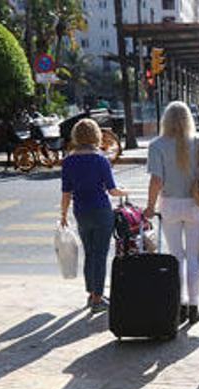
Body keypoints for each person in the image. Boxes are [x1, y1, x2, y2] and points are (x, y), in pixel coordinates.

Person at [143, 101, 199, 325]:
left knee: (176, 258)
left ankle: (179, 306)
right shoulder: (197, 143)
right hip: (195, 205)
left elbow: (156, 180)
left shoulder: (156, 145)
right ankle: (194, 307)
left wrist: (149, 206)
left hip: (170, 205)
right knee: (194, 257)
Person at [60, 119, 127, 313]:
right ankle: (98, 297)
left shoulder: (69, 161)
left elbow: (66, 192)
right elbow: (112, 190)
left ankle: (91, 292)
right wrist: (125, 191)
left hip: (80, 211)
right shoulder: (101, 160)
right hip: (100, 210)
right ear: (96, 136)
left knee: (89, 253)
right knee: (100, 253)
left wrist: (63, 214)